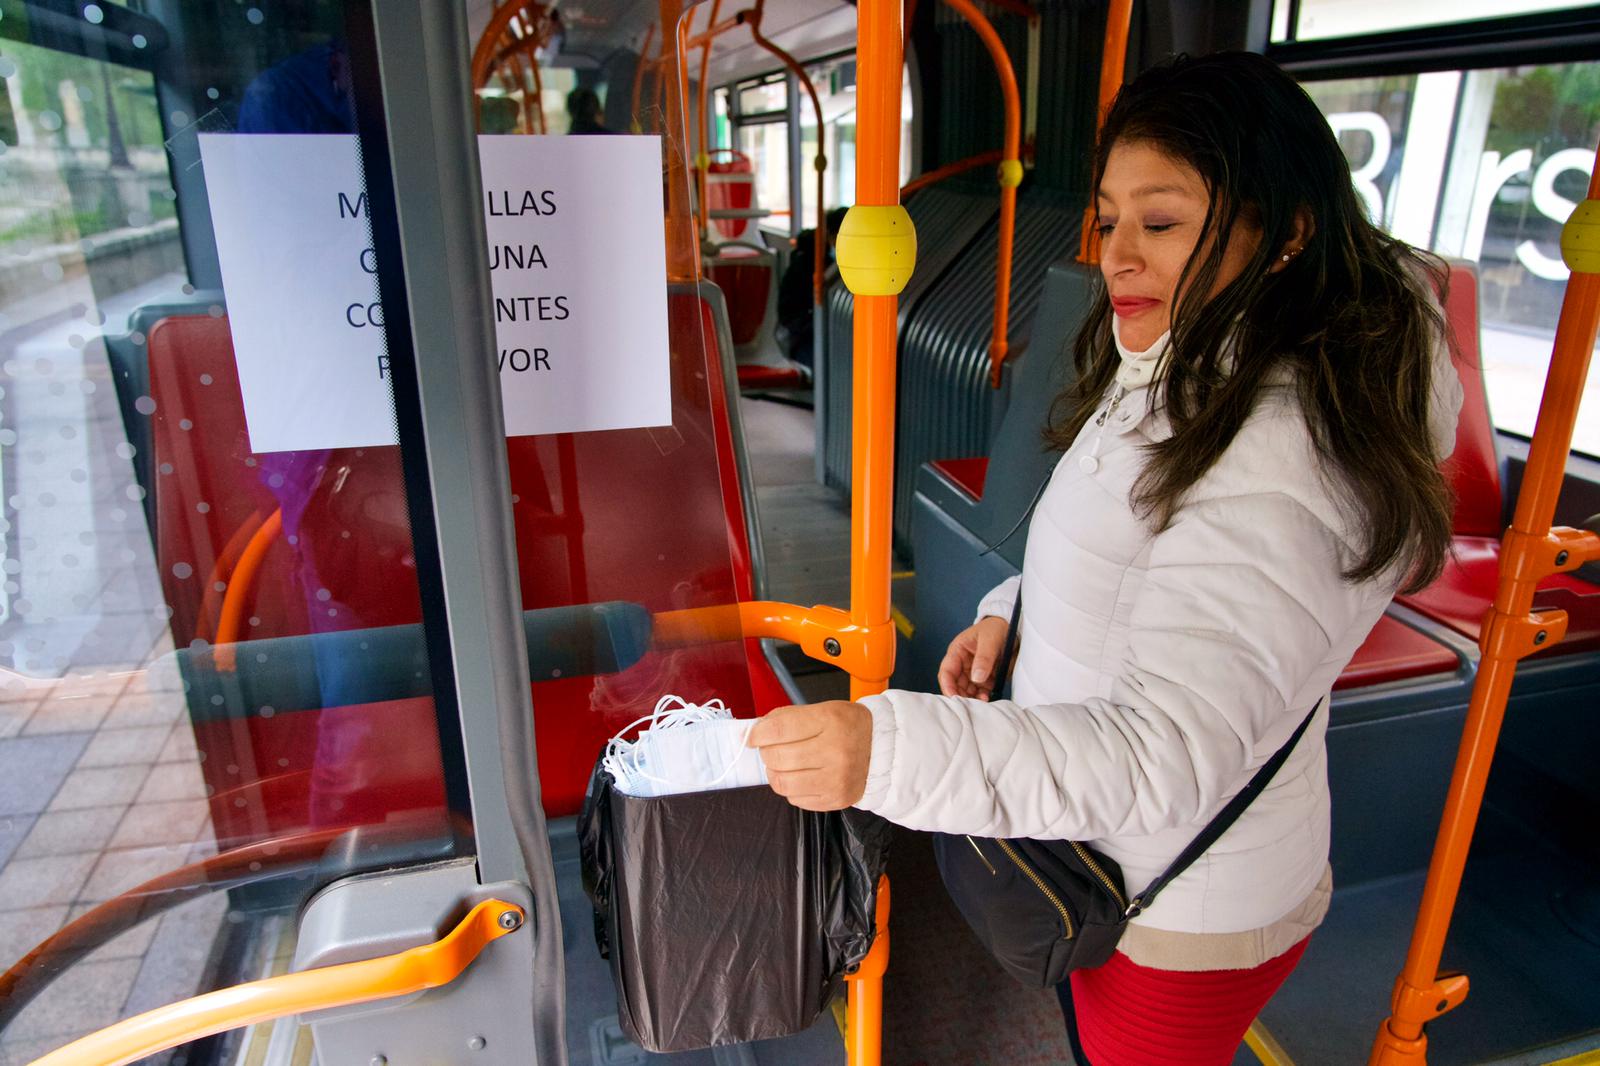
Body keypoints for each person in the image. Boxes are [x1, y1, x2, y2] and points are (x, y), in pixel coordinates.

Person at [747, 51, 1463, 1065]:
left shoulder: (1281, 451)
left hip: (1181, 901)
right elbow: (1127, 542)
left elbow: (1159, 752)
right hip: (1121, 850)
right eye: (1109, 219)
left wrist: (888, 752)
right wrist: (1013, 609)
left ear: (1287, 234)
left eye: (1161, 223)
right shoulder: (1189, 363)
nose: (1118, 255)